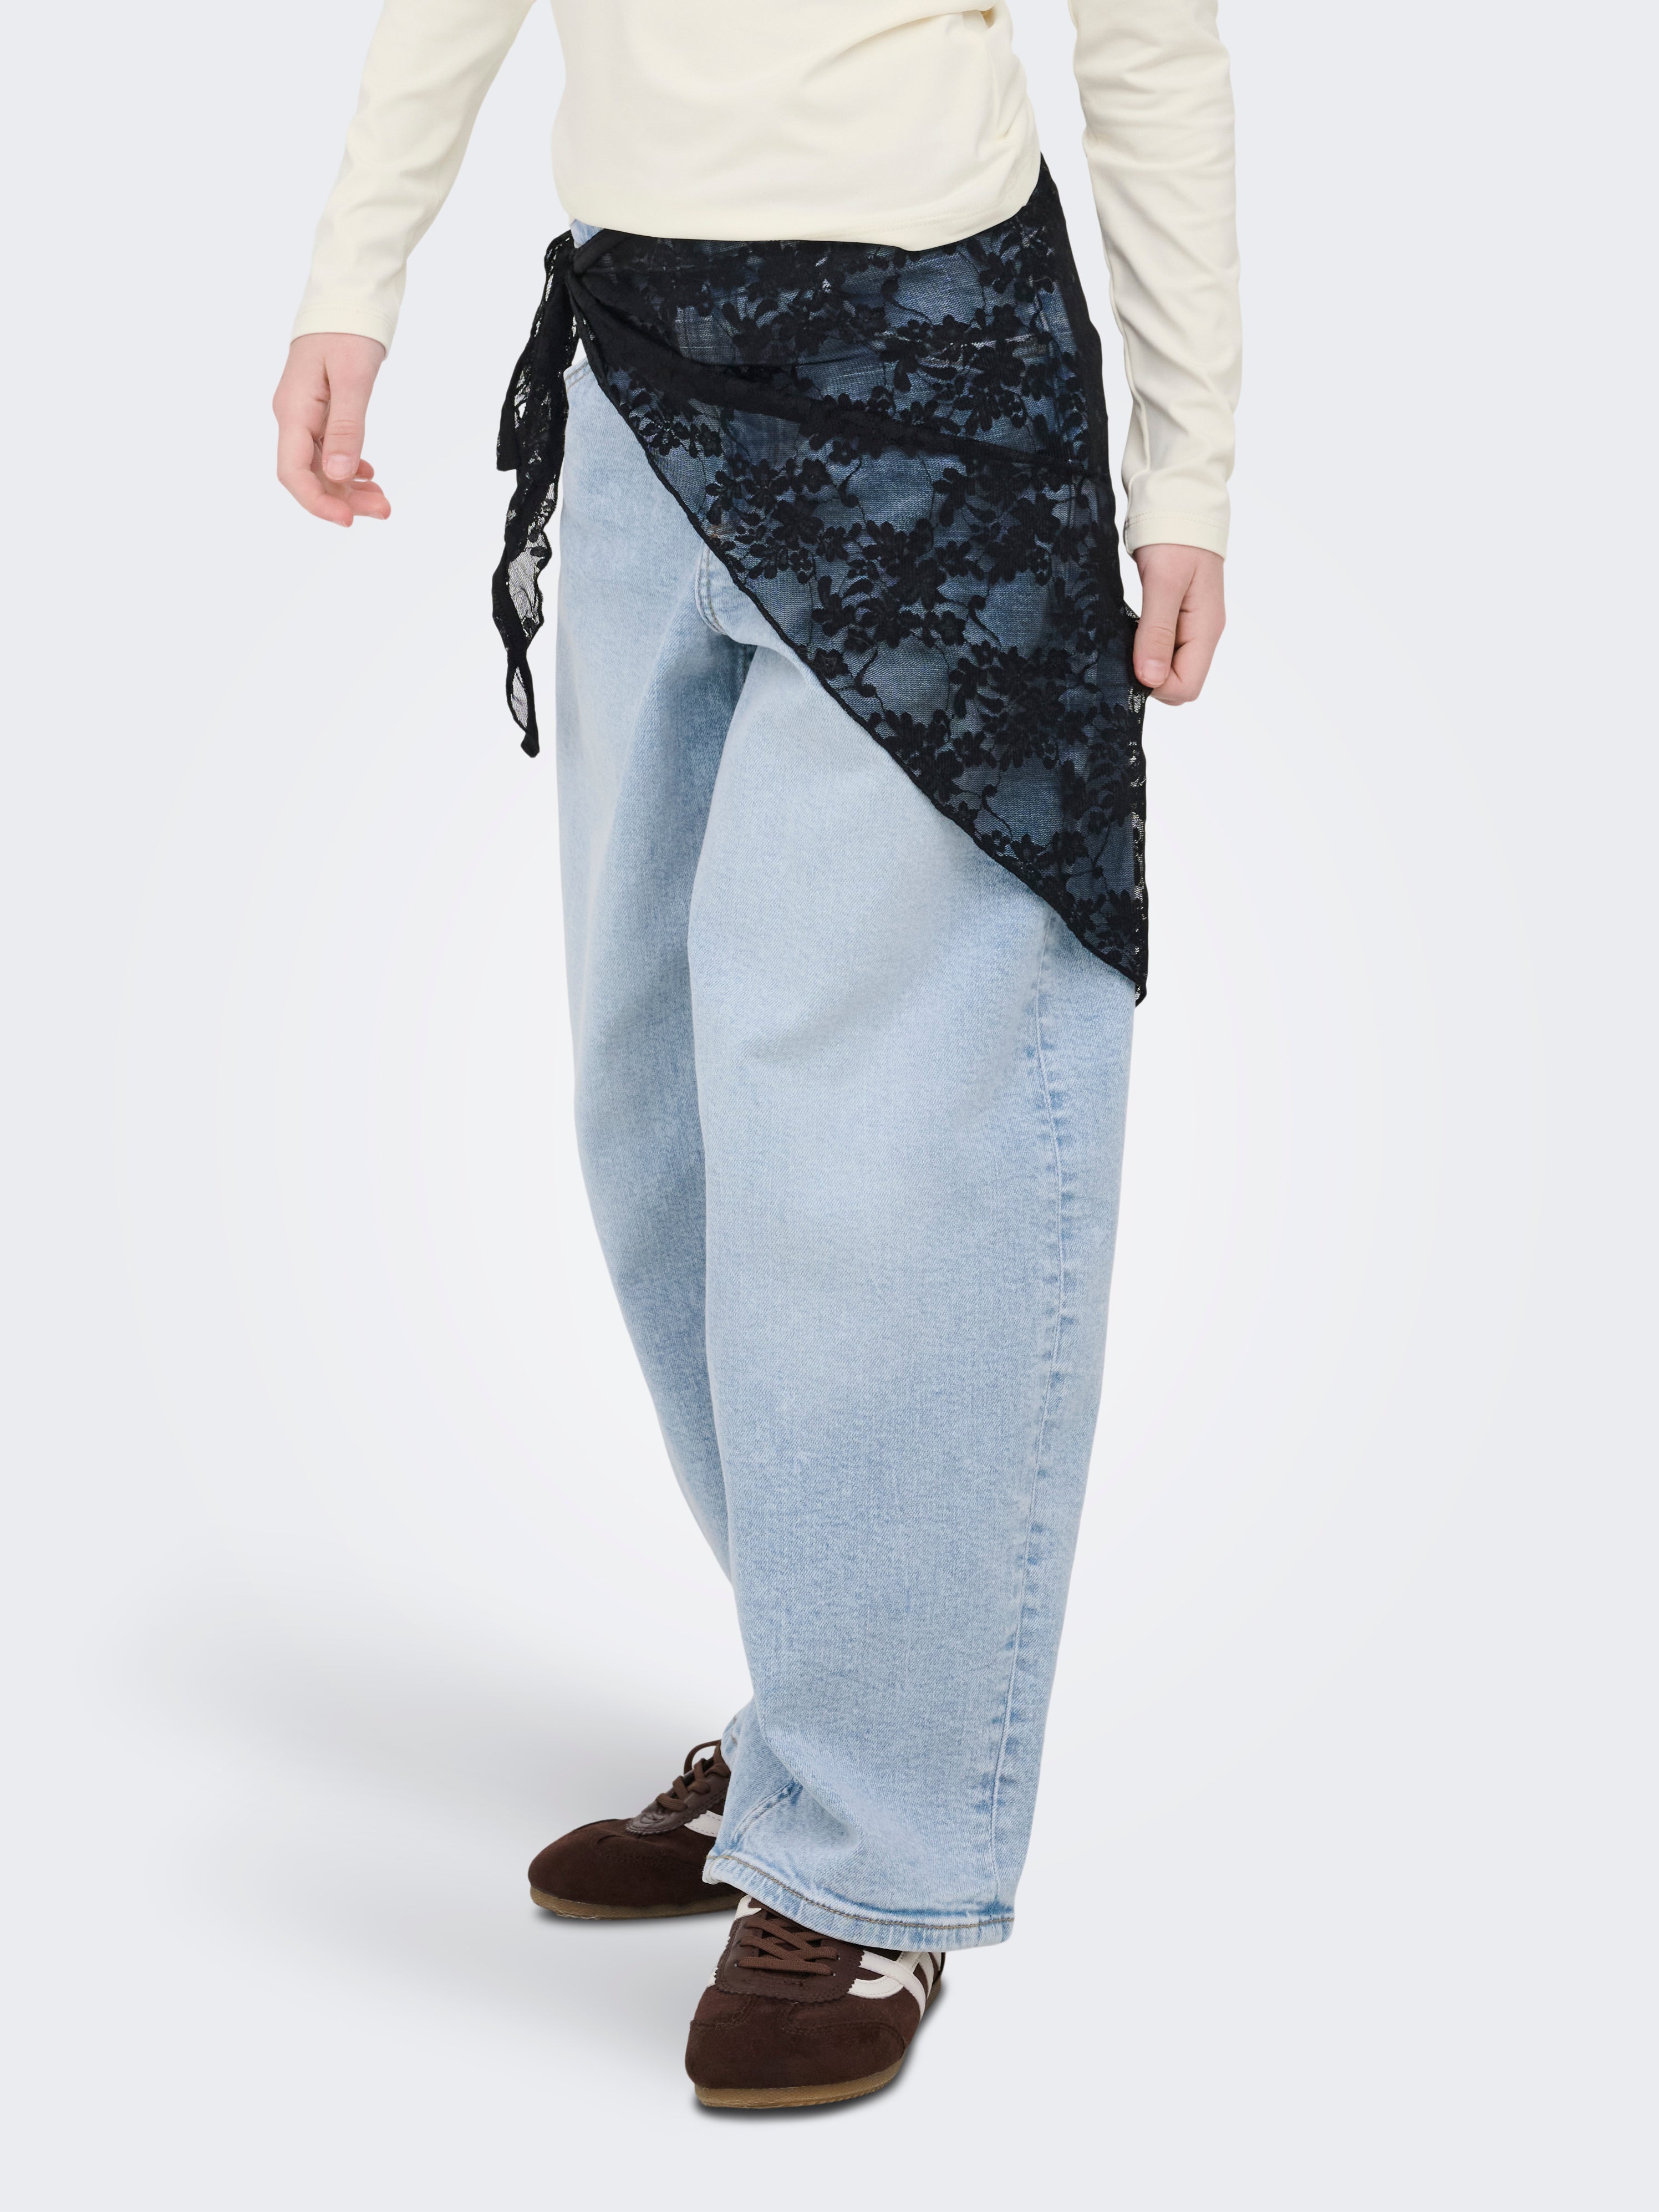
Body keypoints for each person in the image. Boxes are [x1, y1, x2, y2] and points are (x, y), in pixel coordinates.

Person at [274, 0, 1239, 2112]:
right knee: (661, 1116)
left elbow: (1149, 38)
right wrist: (358, 270)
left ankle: (881, 1853)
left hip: (930, 382)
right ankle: (828, 1719)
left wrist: (1190, 466)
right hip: (640, 376)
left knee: (886, 1148)